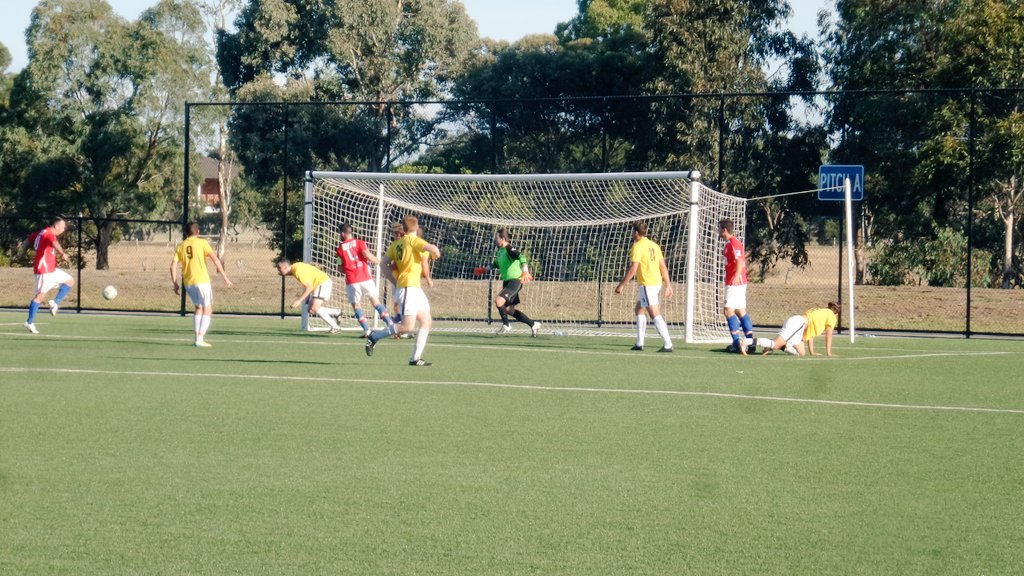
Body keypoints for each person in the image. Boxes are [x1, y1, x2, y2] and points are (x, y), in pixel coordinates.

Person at [365, 216, 441, 366]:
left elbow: (383, 264)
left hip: (413, 288)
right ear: (416, 227)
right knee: (407, 327)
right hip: (408, 288)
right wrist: (435, 254)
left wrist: (394, 280)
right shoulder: (414, 241)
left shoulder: (396, 244)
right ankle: (375, 336)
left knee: (426, 321)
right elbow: (435, 250)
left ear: (404, 229)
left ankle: (415, 358)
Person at [170, 222, 234, 347]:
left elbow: (173, 266)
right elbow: (215, 259)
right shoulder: (202, 243)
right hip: (202, 281)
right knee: (207, 308)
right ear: (198, 232)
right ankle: (200, 339)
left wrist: (175, 283)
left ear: (185, 233)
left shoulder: (181, 246)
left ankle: (197, 338)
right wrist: (225, 277)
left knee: (199, 307)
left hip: (188, 282)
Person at [614, 221, 674, 352]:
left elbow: (633, 270)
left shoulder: (637, 246)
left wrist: (621, 285)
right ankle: (639, 343)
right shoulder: (654, 245)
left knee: (654, 313)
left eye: (632, 232)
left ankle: (668, 344)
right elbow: (663, 266)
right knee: (639, 309)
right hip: (656, 283)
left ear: (636, 233)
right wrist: (668, 285)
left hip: (648, 284)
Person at [336, 223, 394, 337]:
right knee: (376, 302)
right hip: (365, 278)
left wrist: (348, 267)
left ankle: (367, 330)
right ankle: (391, 326)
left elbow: (339, 268)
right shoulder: (360, 242)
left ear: (342, 233)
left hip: (352, 280)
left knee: (356, 305)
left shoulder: (339, 249)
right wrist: (379, 262)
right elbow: (366, 254)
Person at [19, 217, 75, 334]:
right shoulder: (49, 234)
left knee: (70, 281)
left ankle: (55, 303)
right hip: (44, 270)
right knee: (40, 297)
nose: (63, 230)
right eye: (63, 227)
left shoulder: (41, 232)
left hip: (51, 270)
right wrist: (63, 253)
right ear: (57, 226)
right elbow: (55, 243)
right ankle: (29, 322)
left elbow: (28, 240)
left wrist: (22, 253)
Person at [487, 228, 540, 337]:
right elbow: (496, 264)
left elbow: (522, 257)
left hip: (515, 281)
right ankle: (533, 324)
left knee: (498, 301)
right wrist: (484, 269)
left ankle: (506, 325)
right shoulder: (500, 251)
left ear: (502, 238)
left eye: (496, 238)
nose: (495, 240)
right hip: (507, 282)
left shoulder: (509, 249)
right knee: (509, 310)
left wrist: (525, 271)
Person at [275, 258, 344, 334]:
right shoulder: (295, 267)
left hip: (322, 283)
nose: (278, 270)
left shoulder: (298, 271)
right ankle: (337, 312)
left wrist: (298, 301)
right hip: (318, 284)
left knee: (314, 308)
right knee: (311, 310)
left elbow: (309, 287)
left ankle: (336, 327)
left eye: (279, 268)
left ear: (285, 267)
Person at [719, 219, 755, 355]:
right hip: (737, 281)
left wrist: (736, 276)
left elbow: (740, 260)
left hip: (735, 282)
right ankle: (750, 343)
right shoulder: (730, 243)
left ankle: (736, 344)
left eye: (719, 229)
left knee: (728, 311)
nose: (718, 231)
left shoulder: (734, 242)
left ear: (724, 230)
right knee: (740, 311)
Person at [757, 302, 840, 357]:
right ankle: (752, 342)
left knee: (801, 353)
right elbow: (829, 335)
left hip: (797, 323)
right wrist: (829, 353)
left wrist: (812, 352)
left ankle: (778, 345)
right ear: (836, 313)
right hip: (797, 324)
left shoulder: (821, 311)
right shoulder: (831, 315)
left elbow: (810, 334)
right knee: (777, 343)